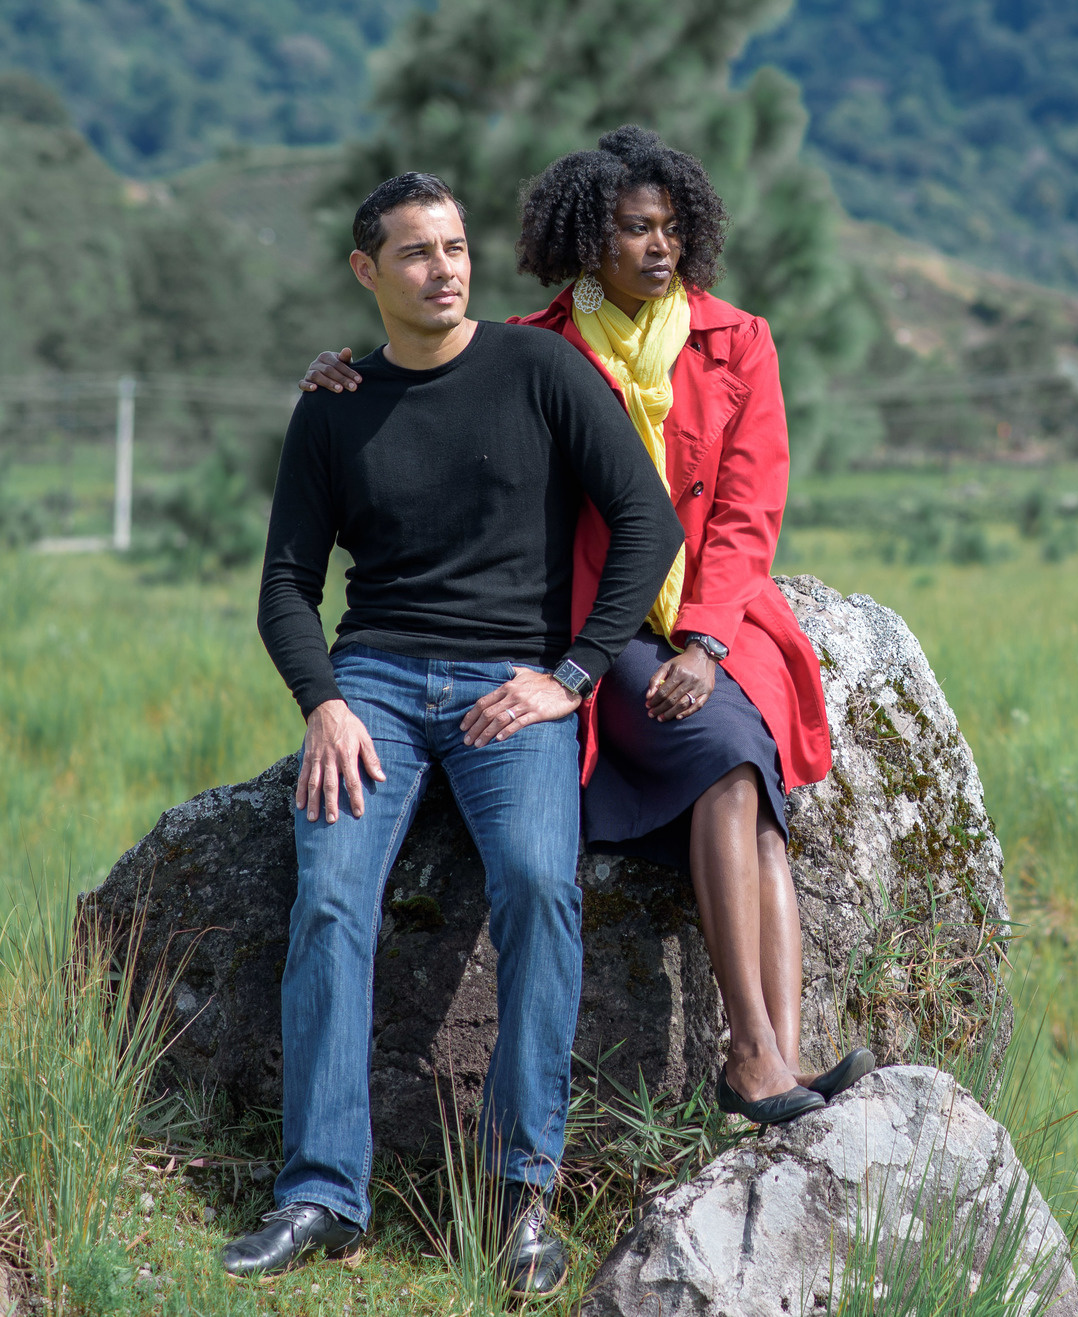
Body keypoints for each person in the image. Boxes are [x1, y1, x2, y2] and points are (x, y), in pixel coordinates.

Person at [300, 125, 872, 1129]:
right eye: (632, 228)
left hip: (715, 616)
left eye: (670, 227)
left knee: (749, 769)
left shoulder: (739, 339)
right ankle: (757, 1060)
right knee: (728, 759)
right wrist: (341, 374)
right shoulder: (540, 347)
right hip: (594, 623)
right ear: (584, 238)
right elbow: (434, 363)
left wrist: (703, 640)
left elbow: (744, 510)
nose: (658, 246)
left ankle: (771, 1056)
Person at [232, 171, 683, 1291]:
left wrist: (571, 673)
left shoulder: (537, 370)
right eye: (417, 251)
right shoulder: (335, 403)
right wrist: (323, 701)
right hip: (375, 679)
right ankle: (321, 1193)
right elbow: (286, 583)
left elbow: (647, 518)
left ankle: (521, 1198)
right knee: (331, 893)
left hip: (509, 683)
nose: (444, 267)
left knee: (538, 880)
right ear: (366, 272)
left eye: (455, 246)